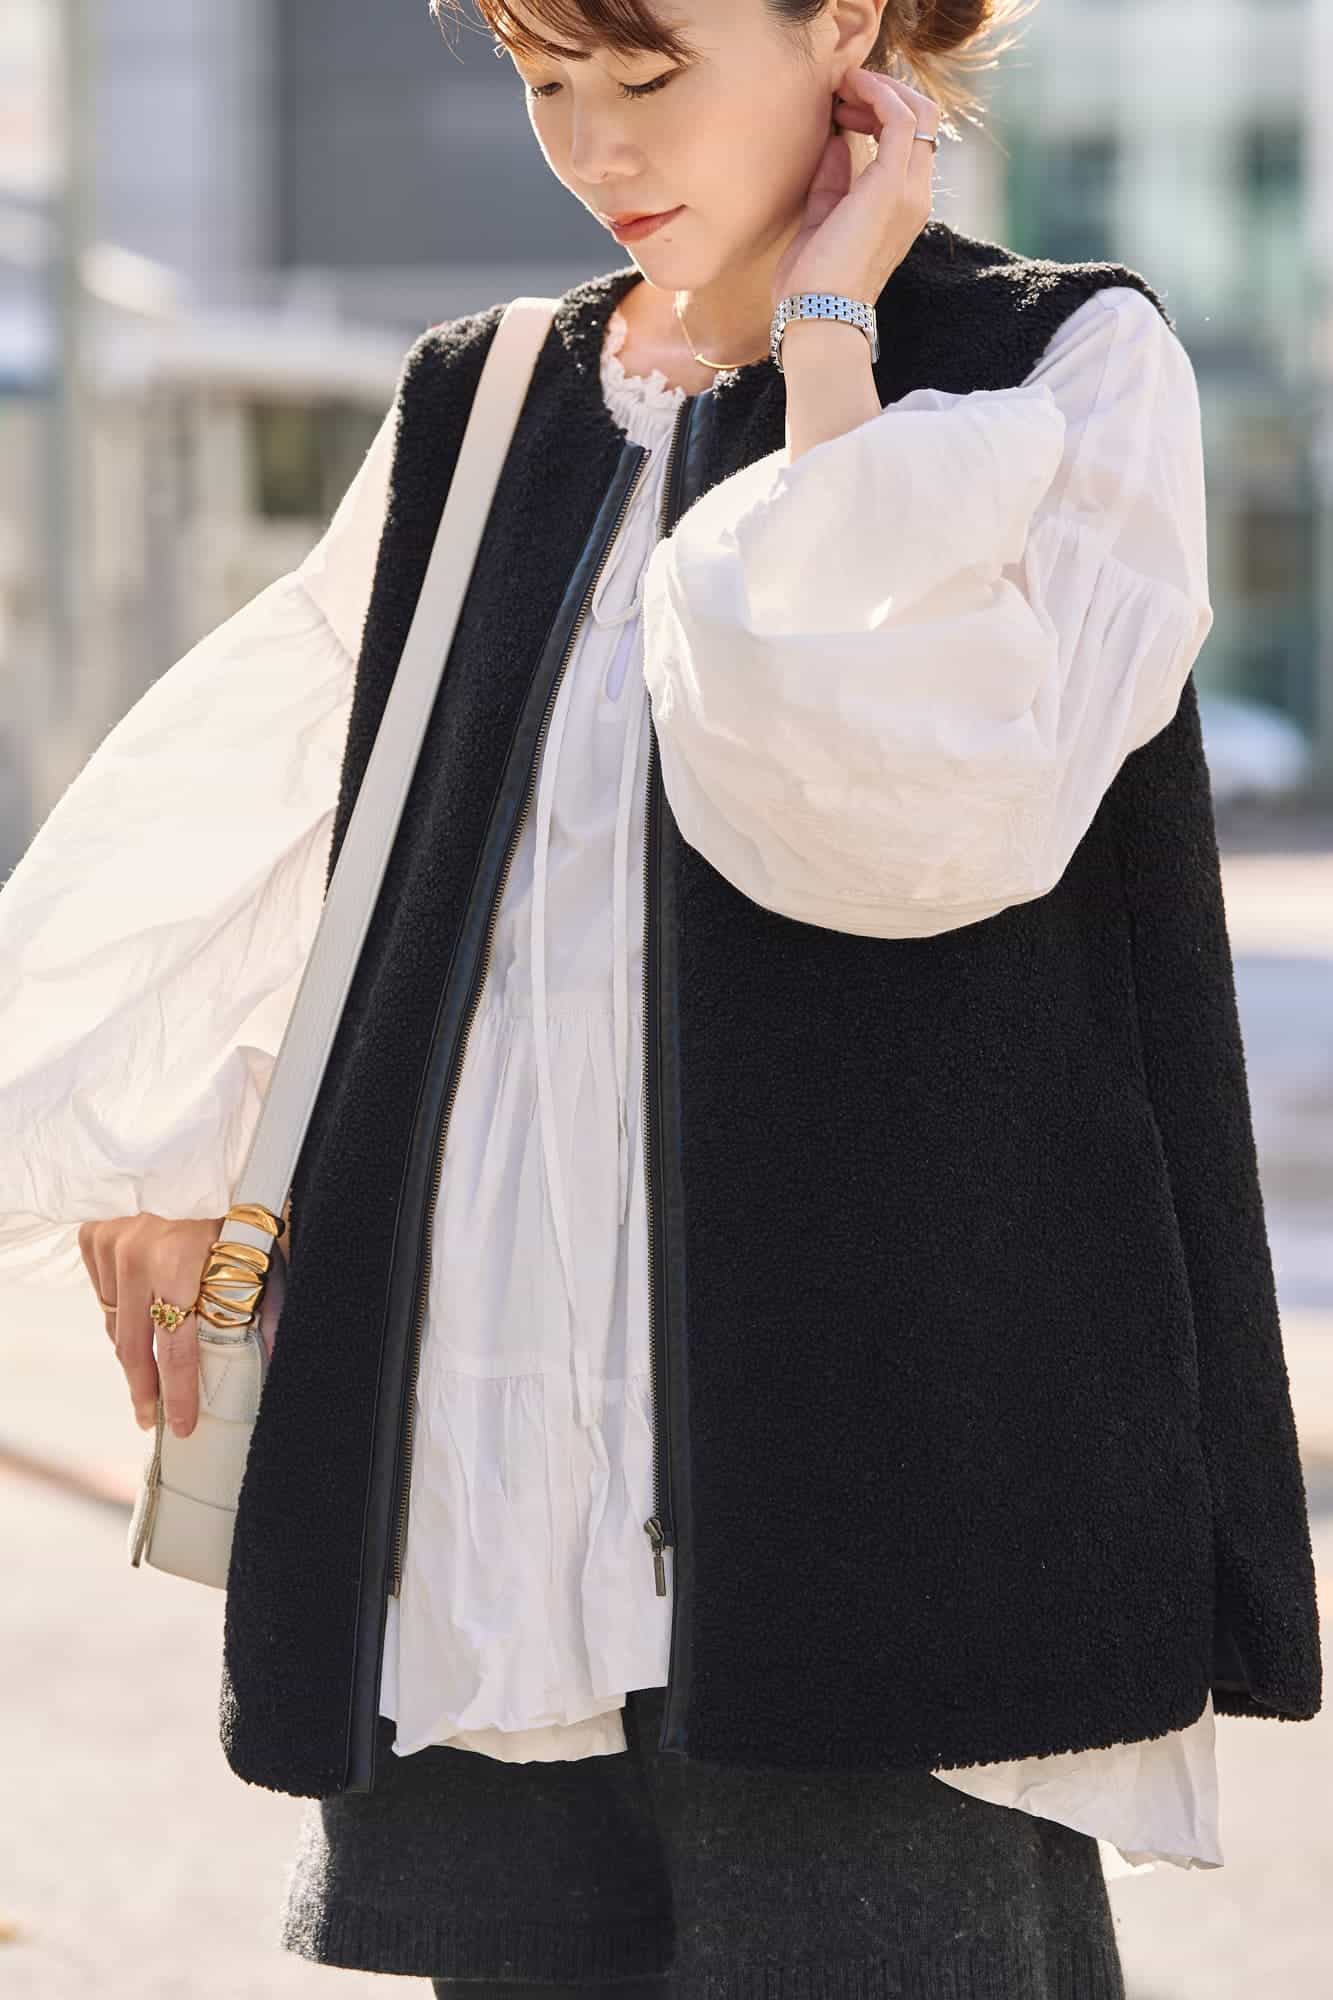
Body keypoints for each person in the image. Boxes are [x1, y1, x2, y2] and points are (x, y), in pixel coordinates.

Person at [0, 0, 1321, 1994]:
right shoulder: (486, 399)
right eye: (545, 84)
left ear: (843, 27)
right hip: (483, 1474)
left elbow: (909, 823)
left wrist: (829, 342)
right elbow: (297, 810)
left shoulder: (1056, 362)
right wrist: (181, 1148)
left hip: (876, 1467)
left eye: (648, 74)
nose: (596, 148)